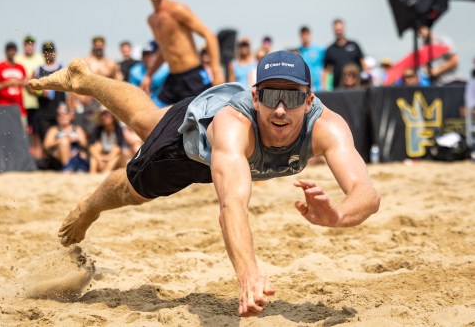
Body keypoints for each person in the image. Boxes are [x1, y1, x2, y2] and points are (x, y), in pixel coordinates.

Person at [29, 50, 380, 317]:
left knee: (145, 118)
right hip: (189, 151)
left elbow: (366, 192)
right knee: (133, 190)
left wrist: (339, 216)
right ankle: (88, 208)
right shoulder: (235, 126)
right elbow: (232, 207)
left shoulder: (327, 126)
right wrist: (249, 276)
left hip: (211, 123)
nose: (280, 111)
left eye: (292, 98)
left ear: (309, 99)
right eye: (272, 96)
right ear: (256, 97)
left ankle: (82, 80)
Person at [141, 0, 224, 107]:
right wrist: (148, 75)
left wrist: (216, 72)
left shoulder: (177, 9)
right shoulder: (152, 20)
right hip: (173, 79)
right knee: (152, 116)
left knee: (203, 119)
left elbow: (209, 36)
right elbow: (164, 50)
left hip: (193, 77)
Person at [31, 41, 66, 160]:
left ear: (55, 53)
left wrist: (68, 108)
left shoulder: (62, 68)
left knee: (59, 138)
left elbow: (70, 90)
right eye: (46, 52)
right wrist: (40, 92)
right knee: (43, 139)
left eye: (51, 51)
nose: (49, 54)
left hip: (59, 112)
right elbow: (30, 87)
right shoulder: (38, 70)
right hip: (44, 112)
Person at [16, 34, 46, 157]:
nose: (29, 46)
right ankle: (23, 157)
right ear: (24, 46)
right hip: (20, 101)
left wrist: (33, 86)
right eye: (27, 44)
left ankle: (37, 157)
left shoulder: (40, 59)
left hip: (35, 101)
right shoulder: (18, 59)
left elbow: (43, 79)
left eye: (31, 44)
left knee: (36, 132)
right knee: (21, 131)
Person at [42, 103, 89, 173]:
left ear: (70, 116)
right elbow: (46, 145)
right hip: (59, 156)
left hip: (76, 154)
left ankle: (69, 168)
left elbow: (85, 144)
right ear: (57, 118)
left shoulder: (77, 129)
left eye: (65, 114)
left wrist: (75, 139)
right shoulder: (54, 130)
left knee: (81, 153)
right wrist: (60, 140)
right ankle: (68, 167)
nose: (63, 116)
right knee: (64, 142)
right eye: (60, 114)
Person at [0, 42, 28, 127]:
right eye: (9, 50)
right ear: (5, 51)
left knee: (22, 135)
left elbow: (26, 84)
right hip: (3, 108)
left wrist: (23, 83)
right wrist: (7, 84)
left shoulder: (21, 67)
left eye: (13, 50)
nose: (11, 52)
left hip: (19, 109)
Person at [323, 19, 366, 91]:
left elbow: (363, 64)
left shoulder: (354, 45)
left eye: (340, 29)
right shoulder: (330, 49)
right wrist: (324, 87)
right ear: (333, 30)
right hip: (338, 89)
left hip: (356, 88)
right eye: (337, 30)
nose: (339, 31)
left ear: (344, 29)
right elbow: (326, 71)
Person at [87, 107, 127, 173]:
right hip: (101, 158)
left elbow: (118, 149)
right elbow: (91, 147)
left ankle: (105, 172)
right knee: (96, 148)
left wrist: (105, 159)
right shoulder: (98, 129)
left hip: (114, 159)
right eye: (103, 115)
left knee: (116, 156)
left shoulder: (118, 129)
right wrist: (99, 159)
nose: (105, 117)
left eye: (108, 115)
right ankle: (92, 173)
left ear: (113, 117)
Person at [298, 26, 326, 92]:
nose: (304, 36)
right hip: (305, 88)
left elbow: (325, 69)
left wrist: (324, 86)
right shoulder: (298, 51)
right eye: (302, 34)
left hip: (319, 87)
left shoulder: (320, 50)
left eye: (306, 34)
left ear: (310, 34)